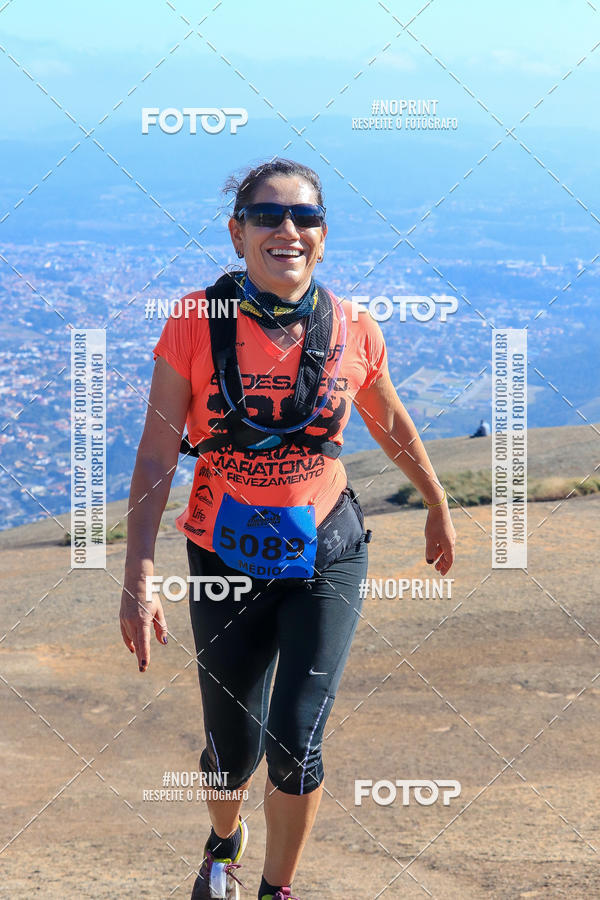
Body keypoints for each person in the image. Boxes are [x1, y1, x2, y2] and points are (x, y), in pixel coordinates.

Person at [119, 158, 456, 900]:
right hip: (223, 554)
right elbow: (155, 449)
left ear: (324, 237)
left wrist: (436, 499)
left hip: (325, 553)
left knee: (296, 741)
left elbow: (389, 418)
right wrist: (138, 573)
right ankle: (223, 837)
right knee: (229, 746)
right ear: (238, 234)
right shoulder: (193, 324)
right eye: (266, 216)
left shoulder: (354, 327)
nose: (287, 230)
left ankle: (275, 891)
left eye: (304, 216)